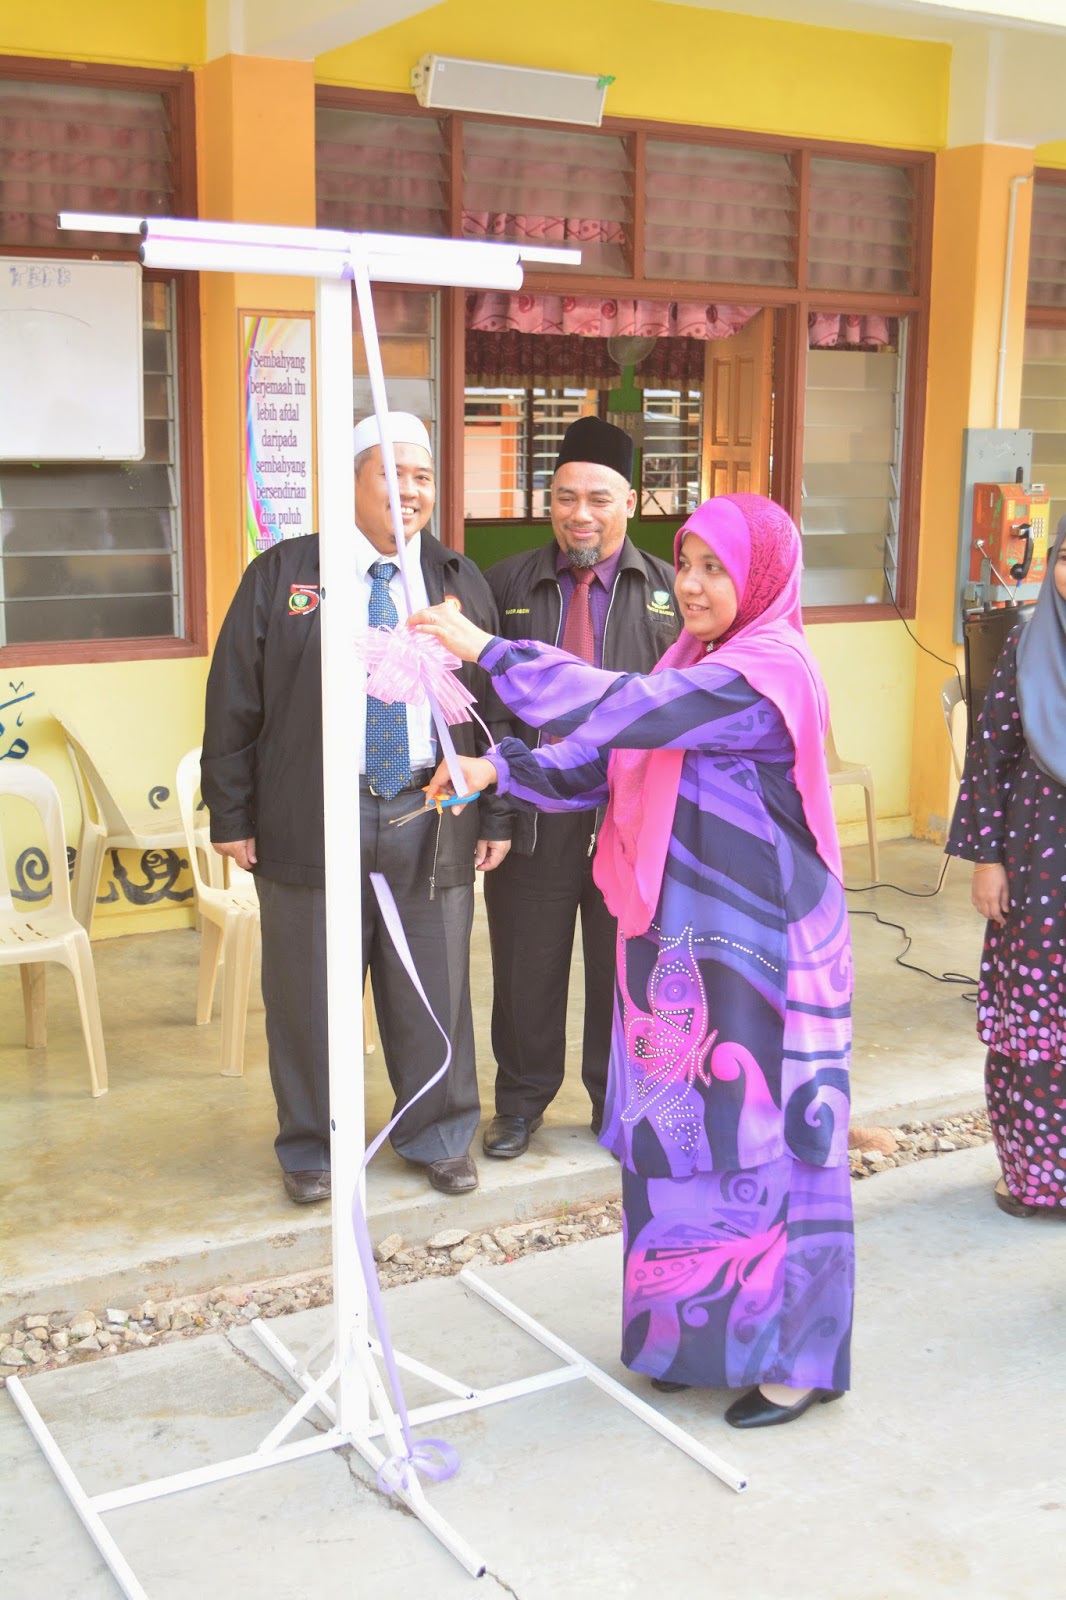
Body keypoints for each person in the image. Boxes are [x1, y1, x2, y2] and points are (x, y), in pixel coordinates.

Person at [411, 492, 854, 1430]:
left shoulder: (768, 672)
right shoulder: (697, 658)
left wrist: (487, 651)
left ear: (762, 577)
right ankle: (690, 1338)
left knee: (765, 1141)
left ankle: (793, 1360)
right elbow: (609, 753)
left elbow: (624, 706)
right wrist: (496, 771)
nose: (690, 586)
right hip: (674, 940)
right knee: (678, 1137)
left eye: (712, 569)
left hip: (761, 954)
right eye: (683, 563)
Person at [202, 412, 510, 1204]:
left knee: (432, 986)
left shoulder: (456, 579)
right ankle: (312, 1146)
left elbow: (495, 713)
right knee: (308, 992)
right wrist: (231, 815)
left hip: (429, 812)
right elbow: (234, 701)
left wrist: (497, 813)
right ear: (351, 480)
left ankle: (438, 1134)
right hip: (313, 815)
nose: (410, 491)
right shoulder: (284, 576)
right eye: (391, 472)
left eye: (423, 477)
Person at [480, 415, 680, 1159]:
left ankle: (614, 1100)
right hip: (532, 815)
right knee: (525, 966)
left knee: (622, 969)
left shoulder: (667, 593)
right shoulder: (506, 584)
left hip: (629, 822)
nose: (580, 514)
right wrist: (495, 812)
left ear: (629, 500)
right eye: (565, 497)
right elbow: (484, 709)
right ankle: (521, 1104)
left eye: (598, 497)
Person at [946, 517, 1066, 1219]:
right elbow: (990, 763)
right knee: (1035, 1024)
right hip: (1038, 861)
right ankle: (1037, 1178)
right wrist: (987, 860)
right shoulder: (1026, 644)